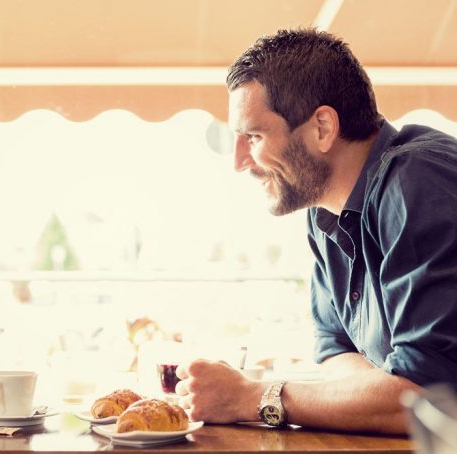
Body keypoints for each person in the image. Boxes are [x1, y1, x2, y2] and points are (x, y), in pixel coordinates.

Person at [175, 28, 457, 434]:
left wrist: (251, 397)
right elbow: (333, 348)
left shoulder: (418, 182)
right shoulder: (325, 213)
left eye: (253, 136)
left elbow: (431, 400)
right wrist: (383, 397)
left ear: (323, 127)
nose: (239, 161)